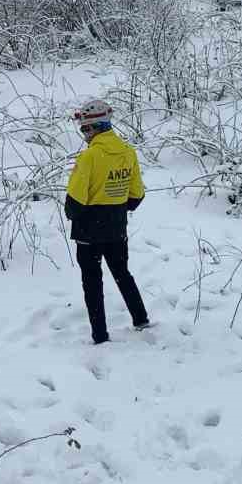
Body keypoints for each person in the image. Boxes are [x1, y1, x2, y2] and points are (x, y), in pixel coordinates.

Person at [65, 100, 149, 344]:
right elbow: (136, 195)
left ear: (95, 128)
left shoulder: (89, 157)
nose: (84, 135)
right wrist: (116, 207)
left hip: (88, 229)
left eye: (85, 130)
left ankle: (100, 335)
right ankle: (140, 318)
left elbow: (75, 201)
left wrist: (76, 215)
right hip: (116, 226)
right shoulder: (128, 152)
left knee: (92, 281)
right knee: (122, 272)